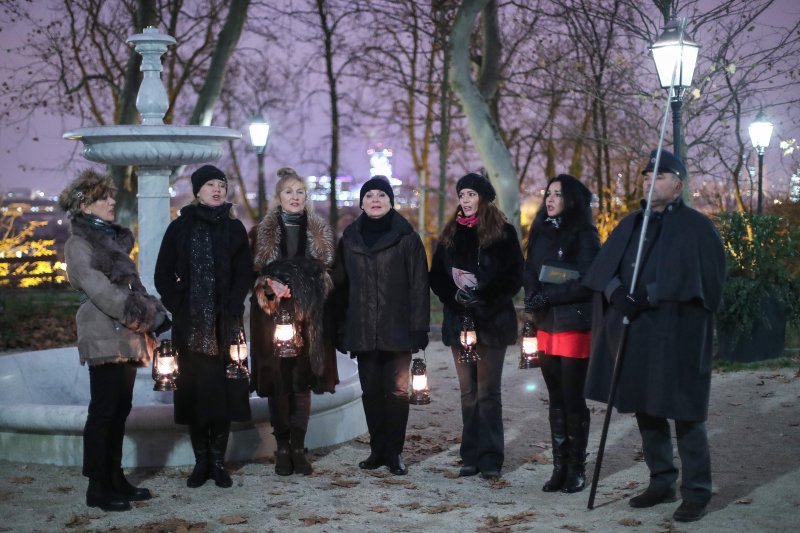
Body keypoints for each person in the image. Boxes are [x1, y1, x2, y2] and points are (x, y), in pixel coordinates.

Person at [583, 150, 725, 523]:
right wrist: (617, 293)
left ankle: (696, 491)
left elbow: (706, 280)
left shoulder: (697, 227)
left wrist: (650, 293)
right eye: (647, 175)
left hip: (676, 332)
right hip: (638, 333)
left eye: (659, 176)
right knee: (646, 407)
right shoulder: (631, 224)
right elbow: (604, 268)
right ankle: (661, 480)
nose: (650, 180)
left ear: (678, 185)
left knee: (684, 411)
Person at [60, 170, 169, 512]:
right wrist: (143, 316)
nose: (112, 202)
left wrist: (157, 312)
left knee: (119, 410)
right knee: (104, 411)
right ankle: (97, 485)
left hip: (126, 335)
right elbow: (102, 291)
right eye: (104, 198)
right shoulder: (79, 243)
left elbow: (133, 288)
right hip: (104, 333)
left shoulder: (114, 241)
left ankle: (114, 476)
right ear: (85, 205)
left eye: (110, 197)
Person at [154, 165, 253, 489]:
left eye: (221, 185)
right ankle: (200, 463)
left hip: (226, 326)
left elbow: (244, 273)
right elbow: (162, 275)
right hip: (191, 326)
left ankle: (218, 462)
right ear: (197, 190)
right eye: (210, 184)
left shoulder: (235, 228)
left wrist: (234, 304)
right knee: (195, 394)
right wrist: (181, 307)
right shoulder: (180, 228)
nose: (217, 190)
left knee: (223, 394)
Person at [429, 173, 523, 480]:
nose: (465, 200)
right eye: (461, 195)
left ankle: (491, 456)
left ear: (483, 198)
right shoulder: (450, 233)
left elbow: (513, 277)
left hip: (491, 323)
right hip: (460, 322)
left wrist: (482, 295)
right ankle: (469, 455)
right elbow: (437, 276)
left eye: (471, 194)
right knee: (468, 392)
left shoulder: (504, 233)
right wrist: (455, 295)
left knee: (487, 391)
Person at [333, 175, 429, 476]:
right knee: (371, 391)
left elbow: (419, 286)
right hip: (362, 329)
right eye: (370, 195)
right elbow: (340, 287)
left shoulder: (407, 239)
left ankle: (394, 452)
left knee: (398, 392)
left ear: (391, 201)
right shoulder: (349, 238)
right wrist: (339, 326)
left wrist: (419, 328)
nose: (375, 200)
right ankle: (377, 450)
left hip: (397, 329)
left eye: (382, 195)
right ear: (362, 202)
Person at [249, 167, 338, 476]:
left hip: (310, 318)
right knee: (278, 382)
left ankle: (299, 448)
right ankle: (282, 447)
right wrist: (268, 284)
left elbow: (330, 273)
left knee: (302, 381)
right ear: (279, 197)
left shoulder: (320, 232)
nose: (295, 197)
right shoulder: (261, 232)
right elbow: (253, 273)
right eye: (289, 191)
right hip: (272, 318)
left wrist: (312, 287)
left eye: (300, 191)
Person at [523, 174, 600, 493]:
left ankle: (576, 468)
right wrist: (533, 297)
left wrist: (550, 296)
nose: (550, 199)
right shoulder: (539, 231)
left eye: (558, 194)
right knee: (555, 397)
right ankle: (559, 467)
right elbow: (529, 271)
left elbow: (587, 279)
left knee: (572, 397)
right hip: (546, 325)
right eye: (548, 193)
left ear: (572, 200)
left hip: (573, 324)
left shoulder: (585, 234)